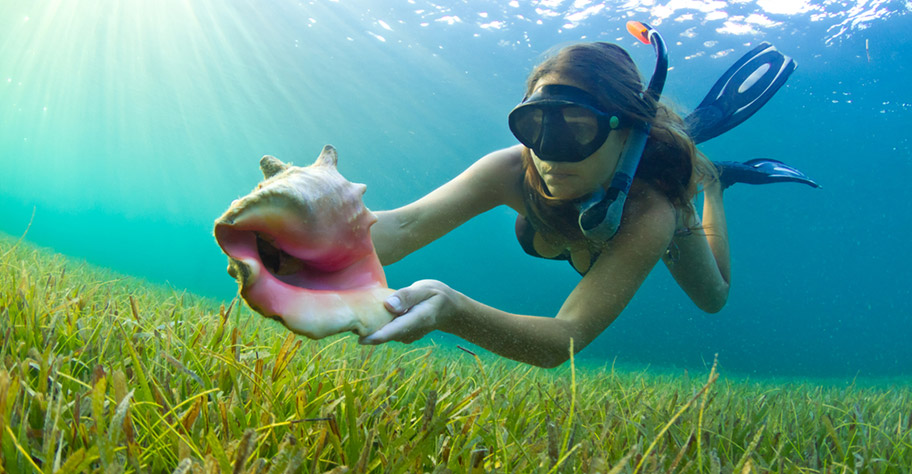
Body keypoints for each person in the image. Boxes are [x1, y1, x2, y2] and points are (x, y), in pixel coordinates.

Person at [359, 24, 816, 368]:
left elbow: (565, 338)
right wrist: (301, 221)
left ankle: (713, 181)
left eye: (577, 129)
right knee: (551, 235)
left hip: (644, 204)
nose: (550, 154)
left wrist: (453, 310)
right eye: (536, 126)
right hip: (563, 232)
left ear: (627, 134)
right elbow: (401, 228)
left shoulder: (652, 210)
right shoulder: (512, 166)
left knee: (713, 298)